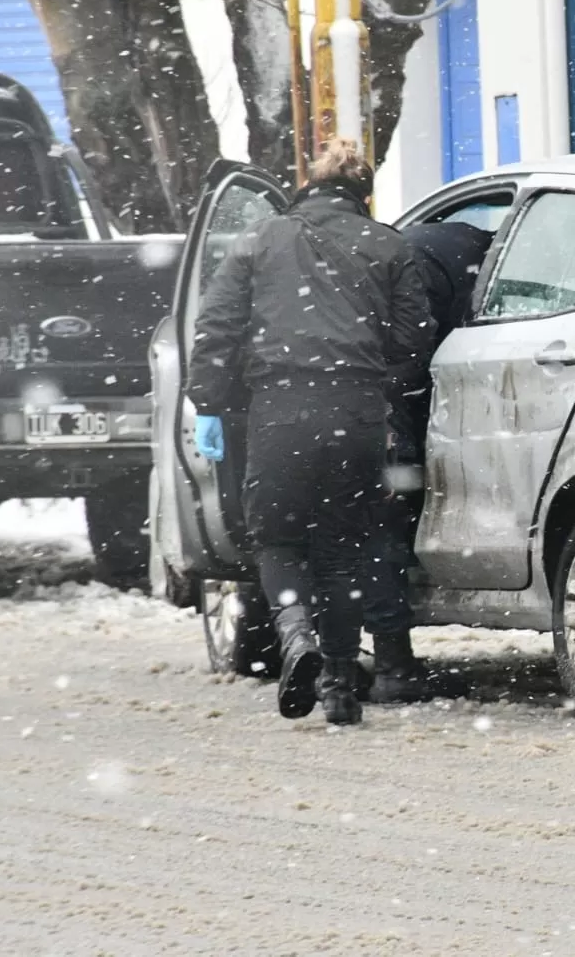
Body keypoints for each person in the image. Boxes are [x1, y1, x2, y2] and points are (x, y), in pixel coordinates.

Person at [186, 139, 432, 726]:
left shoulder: (262, 239)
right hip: (357, 414)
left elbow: (215, 327)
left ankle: (297, 640)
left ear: (307, 184)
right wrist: (372, 375)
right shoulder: (389, 244)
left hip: (280, 409)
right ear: (361, 193)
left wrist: (210, 402)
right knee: (342, 552)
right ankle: (340, 685)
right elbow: (415, 336)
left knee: (278, 540)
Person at [361, 220, 496, 704]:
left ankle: (353, 660)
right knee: (385, 527)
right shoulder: (467, 258)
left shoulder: (394, 251)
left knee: (374, 529)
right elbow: (415, 347)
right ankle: (390, 664)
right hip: (390, 403)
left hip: (355, 406)